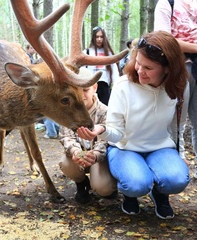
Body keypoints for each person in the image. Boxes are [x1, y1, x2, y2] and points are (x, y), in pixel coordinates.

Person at [77, 31, 190, 219]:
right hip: (125, 148)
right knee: (136, 183)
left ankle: (160, 194)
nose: (139, 70)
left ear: (168, 69)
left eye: (148, 67)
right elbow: (116, 132)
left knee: (178, 179)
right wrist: (101, 130)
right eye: (137, 62)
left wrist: (182, 154)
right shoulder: (123, 86)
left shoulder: (178, 87)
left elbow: (178, 125)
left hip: (160, 147)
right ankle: (130, 196)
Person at [154, 0, 197, 185]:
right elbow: (162, 40)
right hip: (177, 68)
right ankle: (175, 162)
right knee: (177, 121)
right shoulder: (167, 3)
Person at [59, 67, 117, 204]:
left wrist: (95, 154)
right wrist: (76, 152)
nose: (81, 95)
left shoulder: (105, 111)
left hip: (98, 158)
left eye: (85, 90)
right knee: (66, 164)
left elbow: (107, 139)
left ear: (95, 88)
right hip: (78, 155)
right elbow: (65, 135)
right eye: (76, 91)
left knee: (104, 189)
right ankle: (81, 183)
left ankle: (105, 184)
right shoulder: (67, 111)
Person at [83, 26, 120, 105]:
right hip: (90, 87)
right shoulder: (87, 52)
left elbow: (114, 71)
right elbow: (82, 71)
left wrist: (117, 87)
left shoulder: (109, 53)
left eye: (101, 37)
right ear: (93, 38)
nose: (99, 39)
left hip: (105, 87)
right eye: (97, 37)